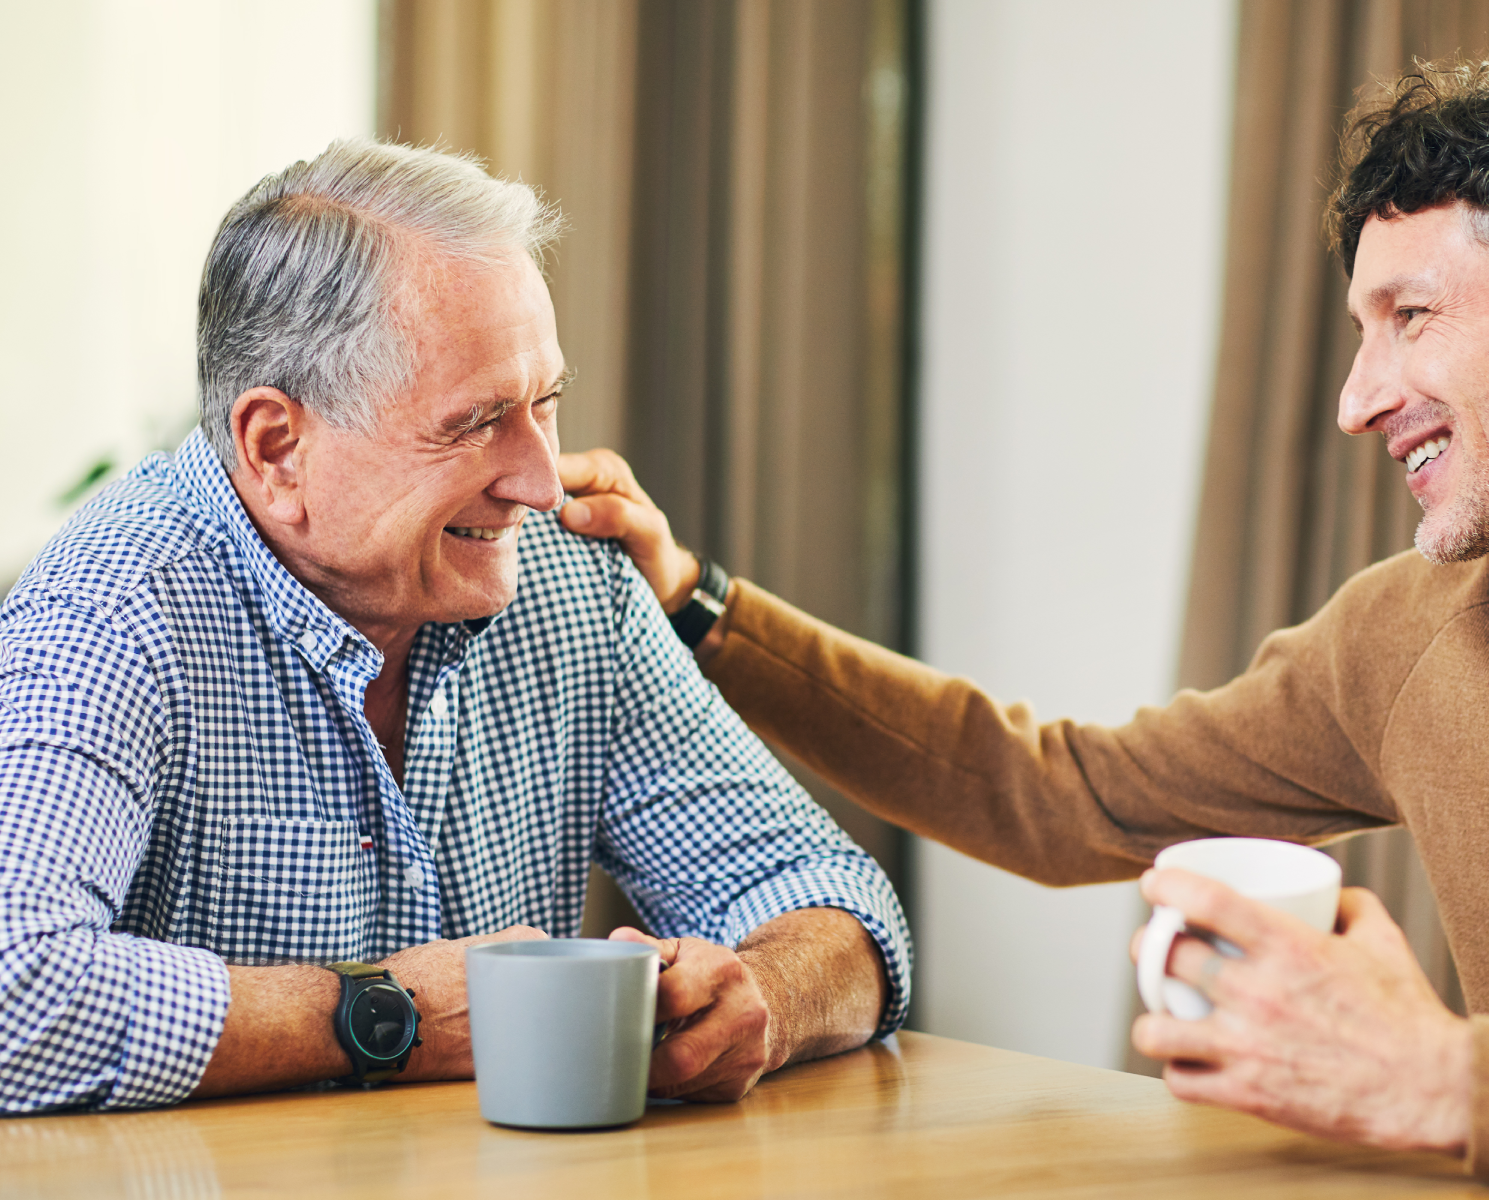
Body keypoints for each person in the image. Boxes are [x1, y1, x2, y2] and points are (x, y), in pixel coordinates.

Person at [556, 59, 1489, 1198]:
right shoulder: (1413, 636)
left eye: (1411, 317)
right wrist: (700, 606)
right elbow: (1060, 795)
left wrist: (1441, 1080)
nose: (1358, 400)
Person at [0, 140, 909, 1114]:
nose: (540, 481)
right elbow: (17, 989)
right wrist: (390, 1016)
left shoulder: (568, 578)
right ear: (278, 448)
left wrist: (762, 995)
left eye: (545, 403)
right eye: (476, 423)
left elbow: (837, 900)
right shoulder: (110, 610)